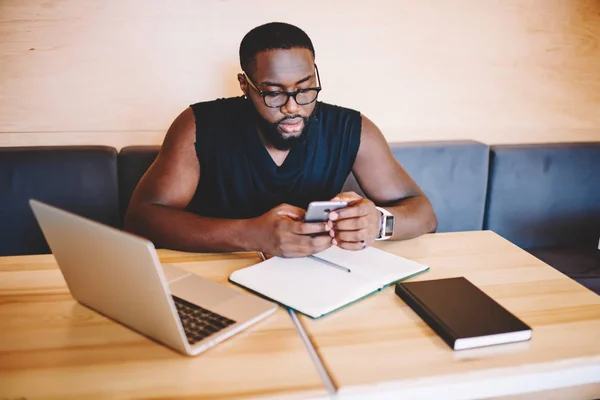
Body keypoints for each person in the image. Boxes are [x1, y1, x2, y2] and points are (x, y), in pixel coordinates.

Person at [125, 22, 437, 258]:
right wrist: (250, 235)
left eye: (305, 89)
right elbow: (141, 218)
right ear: (245, 86)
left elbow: (424, 213)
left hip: (319, 281)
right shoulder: (198, 125)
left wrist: (380, 222)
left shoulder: (352, 128)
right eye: (274, 92)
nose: (293, 106)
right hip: (220, 276)